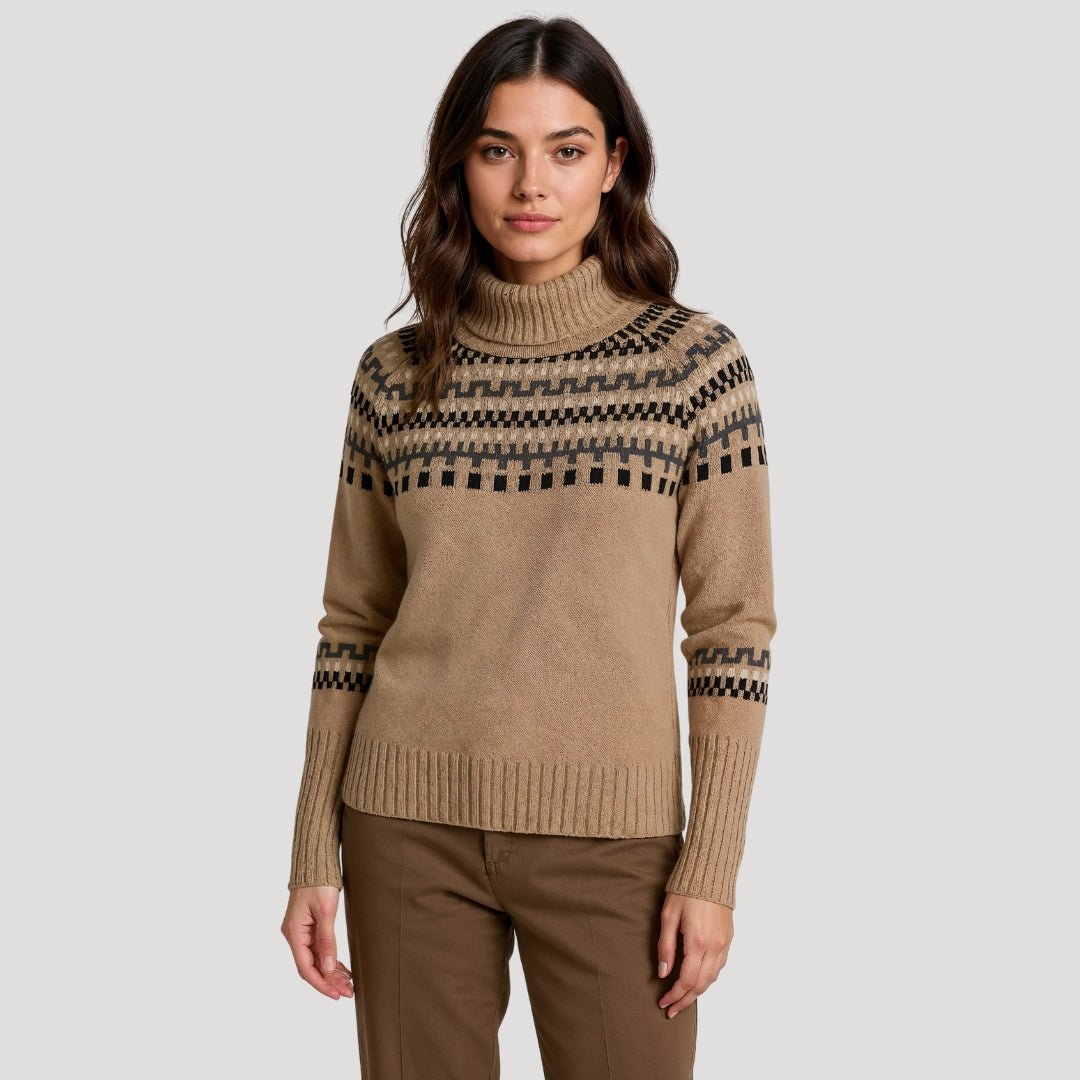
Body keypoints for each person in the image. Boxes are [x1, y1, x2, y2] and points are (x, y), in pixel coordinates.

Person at [281, 15, 775, 1079]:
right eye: (498, 149)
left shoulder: (694, 367)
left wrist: (713, 866)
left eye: (567, 149)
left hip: (615, 840)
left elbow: (733, 632)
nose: (531, 184)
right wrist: (313, 845)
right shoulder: (394, 375)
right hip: (403, 824)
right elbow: (353, 623)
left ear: (615, 165)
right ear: (459, 166)